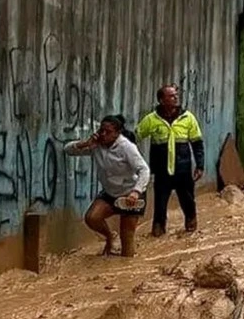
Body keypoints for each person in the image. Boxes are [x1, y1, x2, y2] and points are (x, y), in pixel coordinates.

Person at [64, 115, 150, 257]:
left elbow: (144, 170)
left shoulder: (127, 147)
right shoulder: (96, 145)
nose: (103, 134)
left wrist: (136, 191)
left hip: (131, 195)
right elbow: (68, 150)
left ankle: (125, 272)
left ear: (117, 133)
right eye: (101, 130)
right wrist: (85, 143)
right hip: (110, 193)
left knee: (127, 242)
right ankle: (110, 237)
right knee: (92, 218)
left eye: (108, 132)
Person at [136, 85, 205, 237]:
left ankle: (191, 225)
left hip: (183, 169)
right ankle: (158, 230)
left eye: (176, 95)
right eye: (171, 96)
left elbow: (197, 143)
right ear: (161, 100)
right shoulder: (151, 120)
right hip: (162, 171)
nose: (176, 98)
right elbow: (136, 137)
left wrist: (200, 165)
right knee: (159, 204)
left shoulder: (188, 118)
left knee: (188, 200)